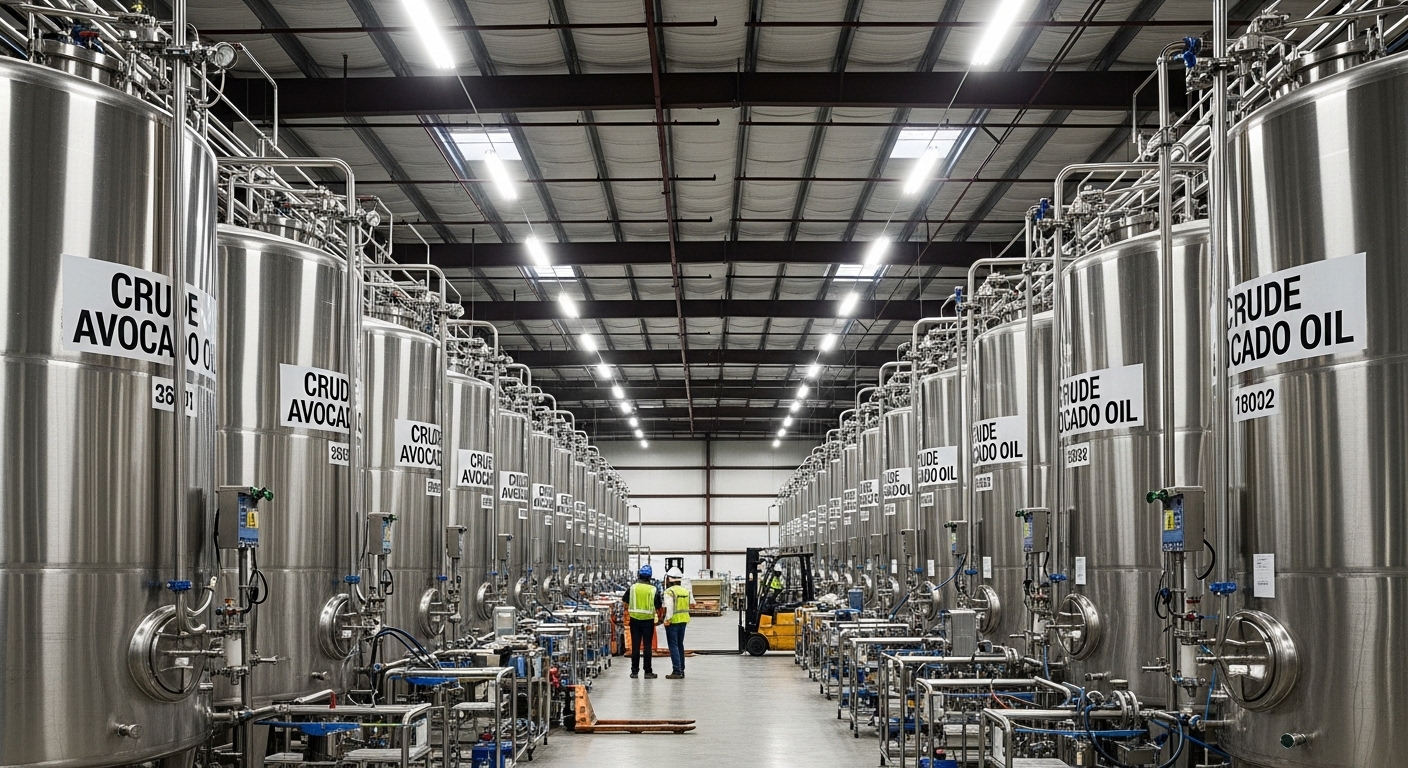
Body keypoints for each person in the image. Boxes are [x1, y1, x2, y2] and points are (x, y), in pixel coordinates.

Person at [627, 564, 664, 679]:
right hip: (648, 621)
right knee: (647, 646)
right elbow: (658, 607)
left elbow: (625, 602)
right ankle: (648, 672)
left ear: (639, 575)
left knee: (635, 646)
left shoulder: (633, 588)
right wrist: (660, 618)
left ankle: (634, 672)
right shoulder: (653, 589)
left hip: (634, 620)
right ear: (649, 577)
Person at [662, 567, 691, 679]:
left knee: (673, 645)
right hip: (683, 620)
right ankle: (681, 669)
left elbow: (669, 608)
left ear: (669, 579)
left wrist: (667, 619)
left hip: (673, 621)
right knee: (680, 644)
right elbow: (691, 603)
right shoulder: (685, 591)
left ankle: (677, 670)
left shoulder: (669, 592)